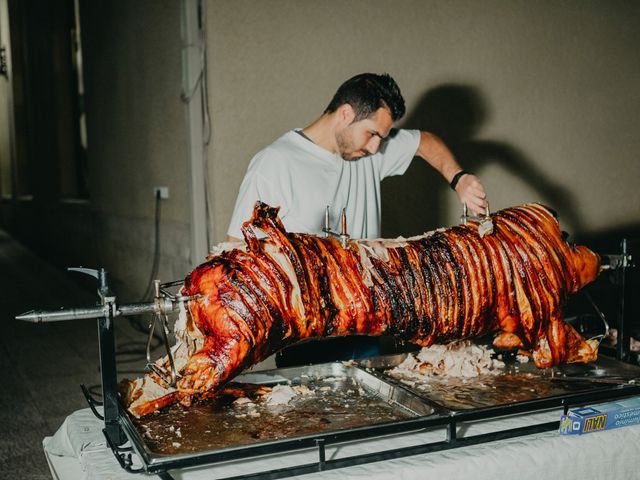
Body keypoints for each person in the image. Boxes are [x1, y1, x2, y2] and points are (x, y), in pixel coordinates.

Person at [226, 73, 489, 366]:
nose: (376, 147)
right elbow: (237, 249)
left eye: (383, 138)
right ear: (346, 114)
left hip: (369, 325)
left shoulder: (367, 152)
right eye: (373, 134)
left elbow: (424, 142)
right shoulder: (274, 164)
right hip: (309, 338)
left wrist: (459, 179)